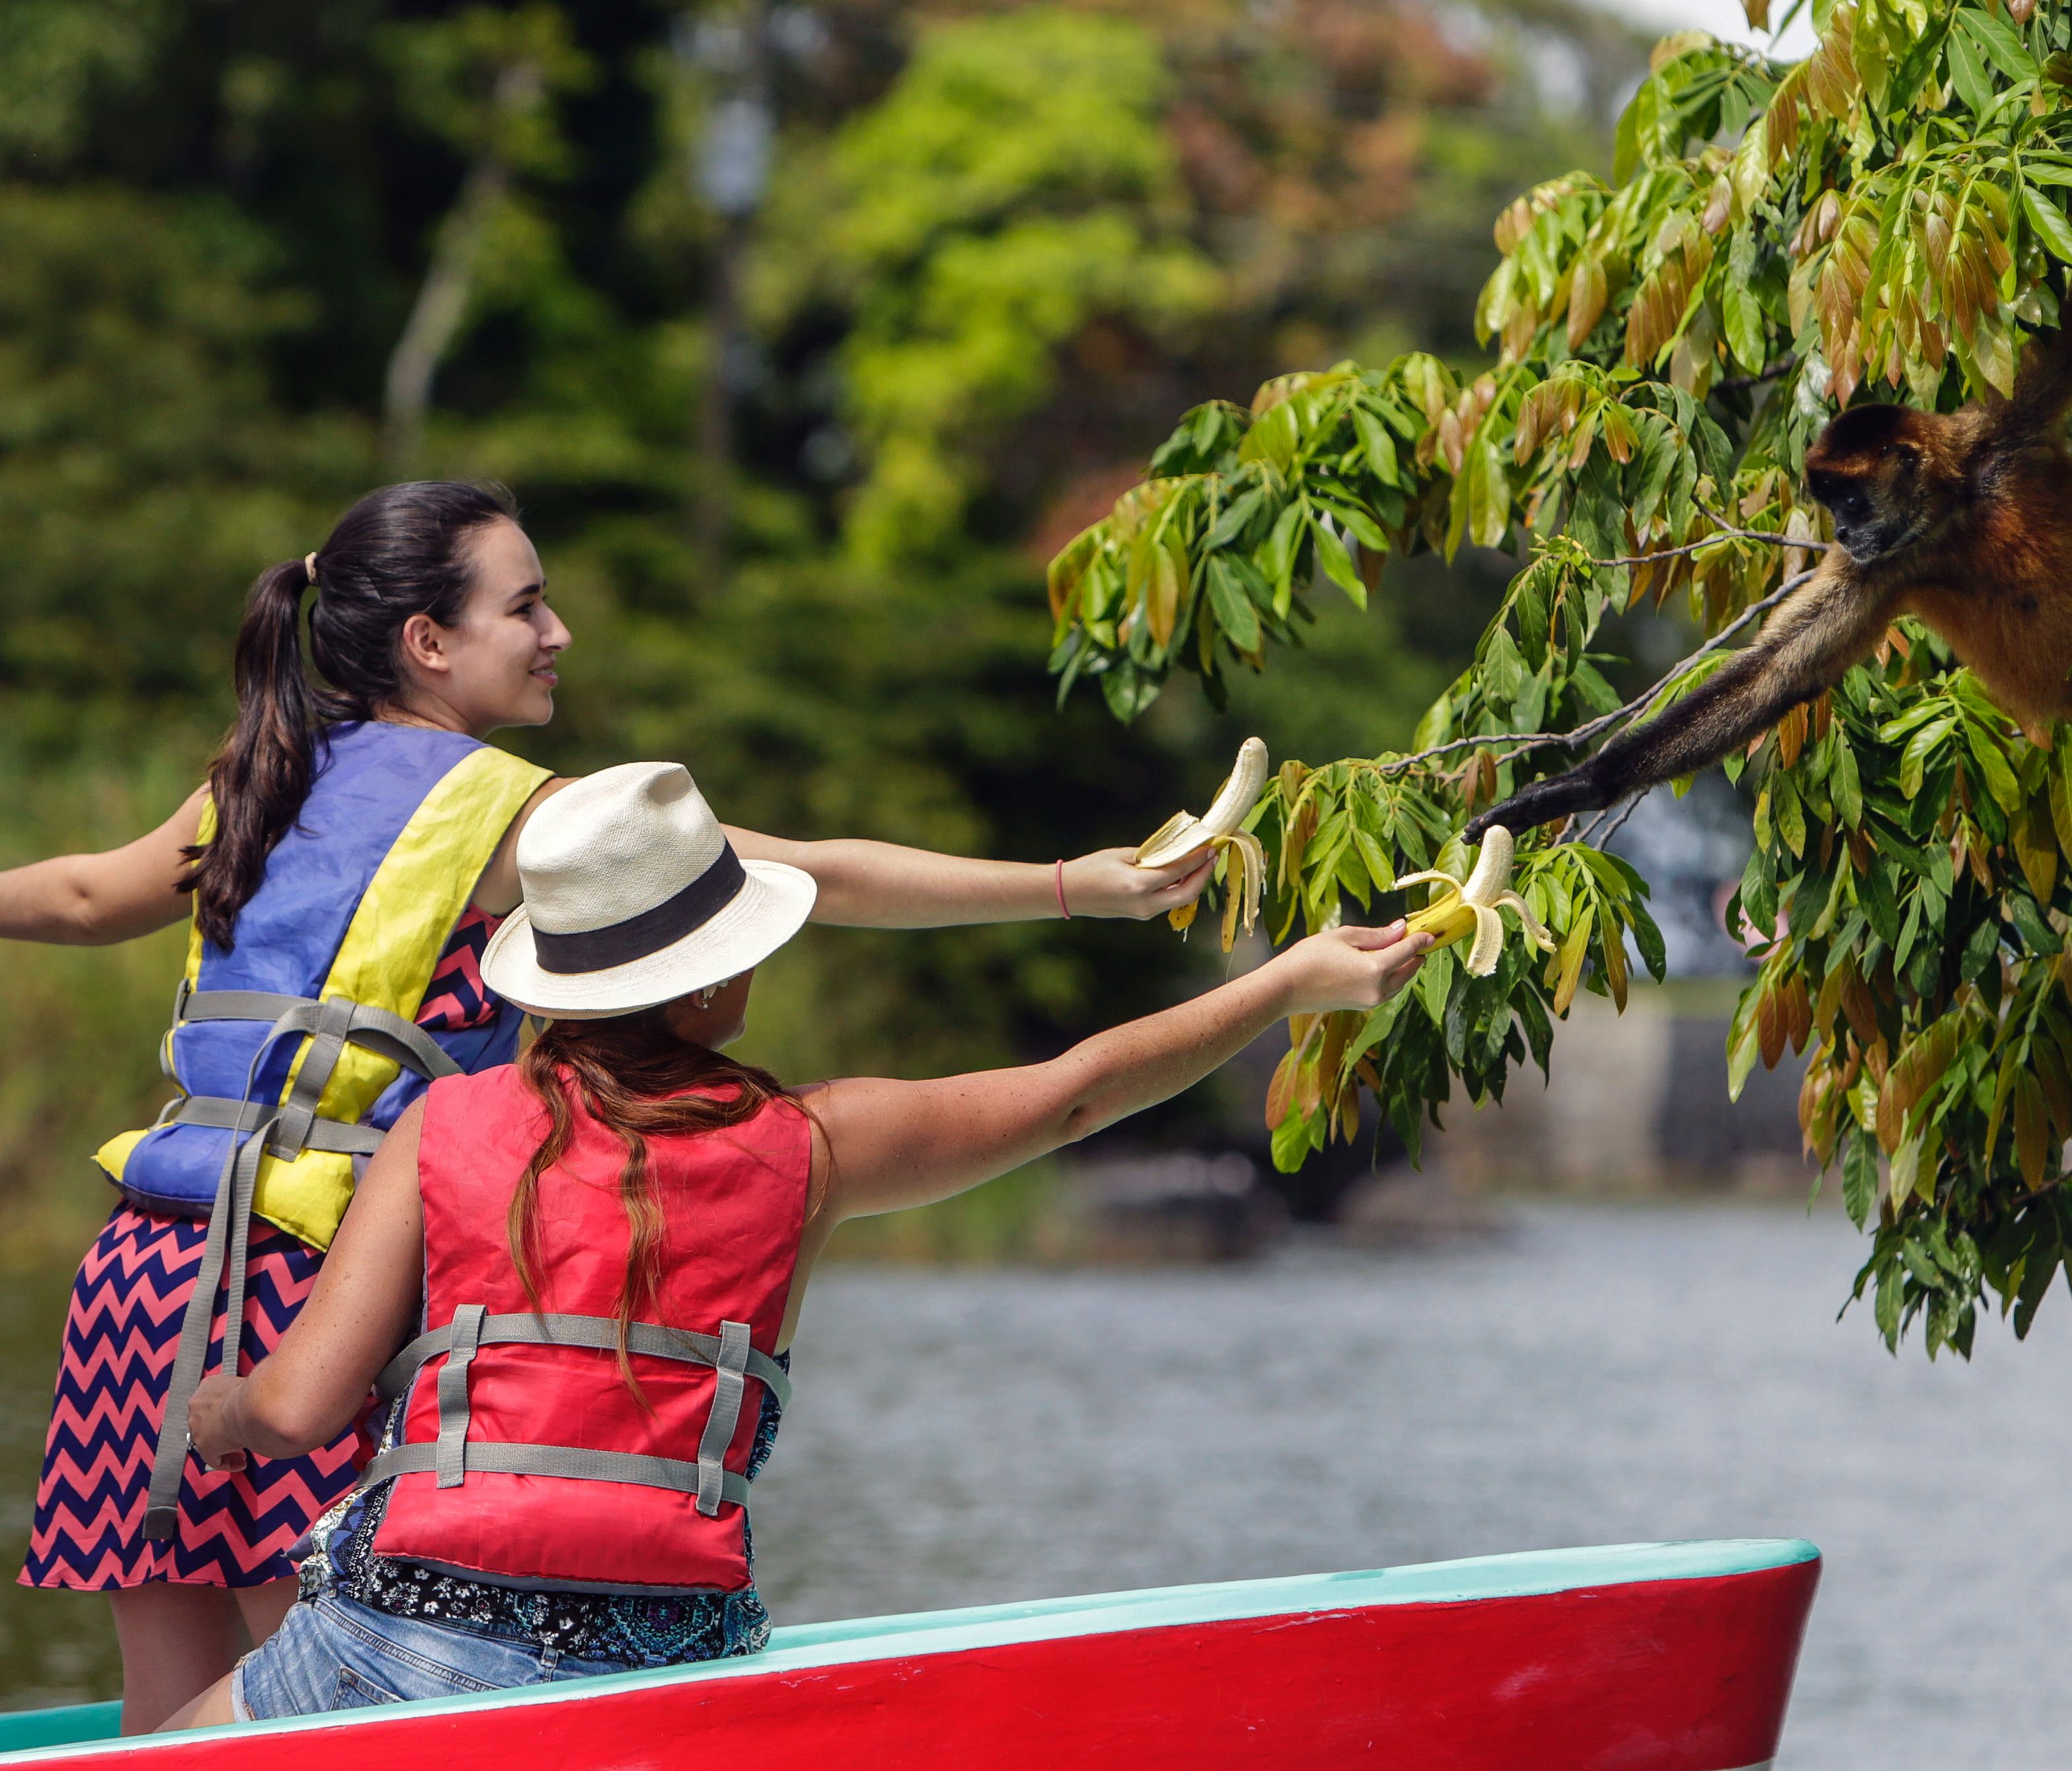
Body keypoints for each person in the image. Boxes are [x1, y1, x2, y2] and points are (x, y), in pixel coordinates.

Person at [3, 481, 1214, 1733]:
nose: (558, 632)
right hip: (316, 1294)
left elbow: (90, 899)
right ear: (430, 642)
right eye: (524, 606)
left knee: (163, 1720)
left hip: (141, 1275)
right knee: (319, 1723)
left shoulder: (260, 772)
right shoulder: (507, 808)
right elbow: (822, 874)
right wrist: (1076, 886)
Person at [162, 762, 1426, 1726]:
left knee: (165, 1736)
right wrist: (1289, 982)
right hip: (672, 1662)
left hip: (405, 1647)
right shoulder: (815, 1146)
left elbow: (295, 1408)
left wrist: (214, 1417)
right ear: (716, 982)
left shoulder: (444, 1125)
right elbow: (1077, 1091)